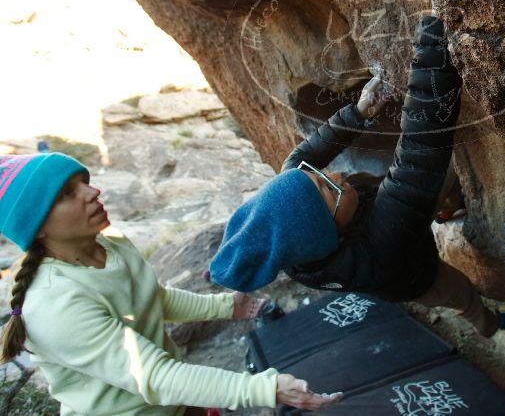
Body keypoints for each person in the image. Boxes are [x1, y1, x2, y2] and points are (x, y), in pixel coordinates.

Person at [210, 15, 505, 337]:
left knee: (429, 191)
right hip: (416, 275)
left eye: (318, 176)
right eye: (329, 189)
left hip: (386, 213)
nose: (336, 175)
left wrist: (359, 112)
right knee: (461, 294)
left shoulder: (296, 235)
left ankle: (446, 207)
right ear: (333, 232)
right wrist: (433, 51)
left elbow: (301, 159)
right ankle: (490, 325)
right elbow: (419, 157)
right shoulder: (376, 251)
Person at [0, 152, 342, 415]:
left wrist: (226, 306)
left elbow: (153, 299)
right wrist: (264, 389)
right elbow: (154, 376)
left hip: (175, 403)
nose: (92, 192)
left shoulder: (109, 243)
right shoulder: (53, 304)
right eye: (66, 194)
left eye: (83, 181)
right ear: (36, 228)